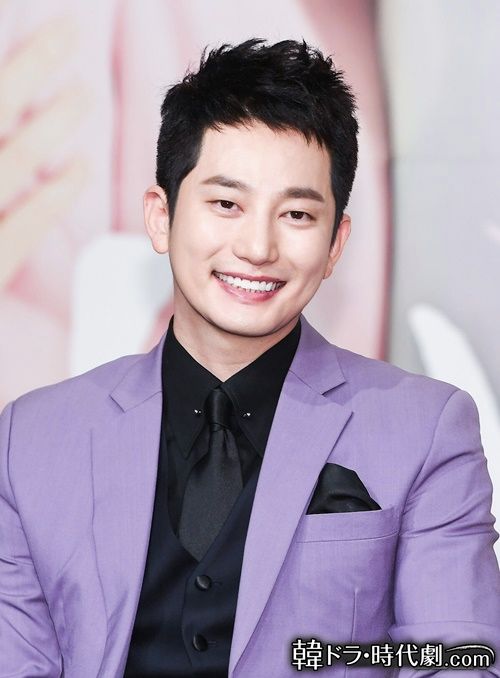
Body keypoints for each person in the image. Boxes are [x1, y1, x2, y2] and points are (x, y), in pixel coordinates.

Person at [0, 38, 499, 678]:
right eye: (226, 204)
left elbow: (455, 658)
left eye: (296, 213)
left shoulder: (425, 429)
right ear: (161, 216)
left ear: (336, 242)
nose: (258, 247)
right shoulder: (32, 440)